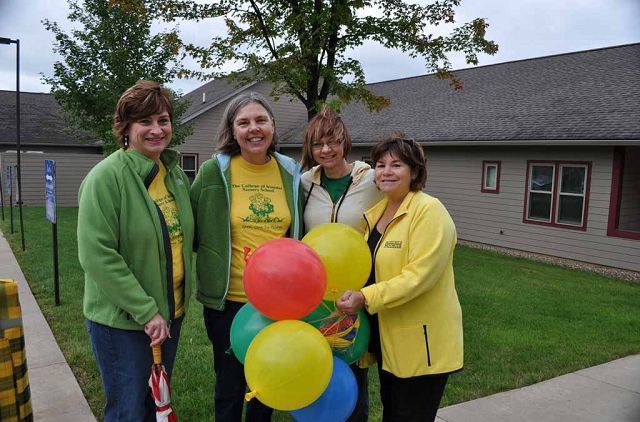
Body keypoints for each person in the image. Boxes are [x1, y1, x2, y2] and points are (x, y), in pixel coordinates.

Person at [77, 80, 194, 421]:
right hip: (123, 323)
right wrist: (146, 311)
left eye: (163, 120)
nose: (157, 130)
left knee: (154, 404)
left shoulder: (173, 177)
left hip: (170, 314)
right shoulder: (106, 178)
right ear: (126, 128)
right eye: (146, 122)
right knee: (127, 410)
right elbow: (97, 254)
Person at [190, 91, 304, 421]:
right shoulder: (215, 171)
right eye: (244, 123)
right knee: (229, 386)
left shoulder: (290, 172)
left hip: (277, 302)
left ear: (273, 126)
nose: (253, 129)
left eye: (260, 120)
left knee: (266, 385)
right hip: (230, 300)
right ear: (232, 130)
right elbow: (193, 223)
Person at [336, 135, 463, 422]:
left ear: (415, 171)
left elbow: (419, 277)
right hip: (387, 337)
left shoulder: (429, 211)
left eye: (397, 165)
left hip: (420, 343)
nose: (386, 171)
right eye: (380, 165)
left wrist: (365, 297)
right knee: (393, 412)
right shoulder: (377, 212)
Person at [300, 105, 383, 421]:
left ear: (344, 141)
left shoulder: (372, 180)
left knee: (352, 377)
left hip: (355, 294)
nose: (325, 150)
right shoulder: (305, 183)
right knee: (316, 371)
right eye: (318, 144)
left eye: (332, 141)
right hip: (314, 296)